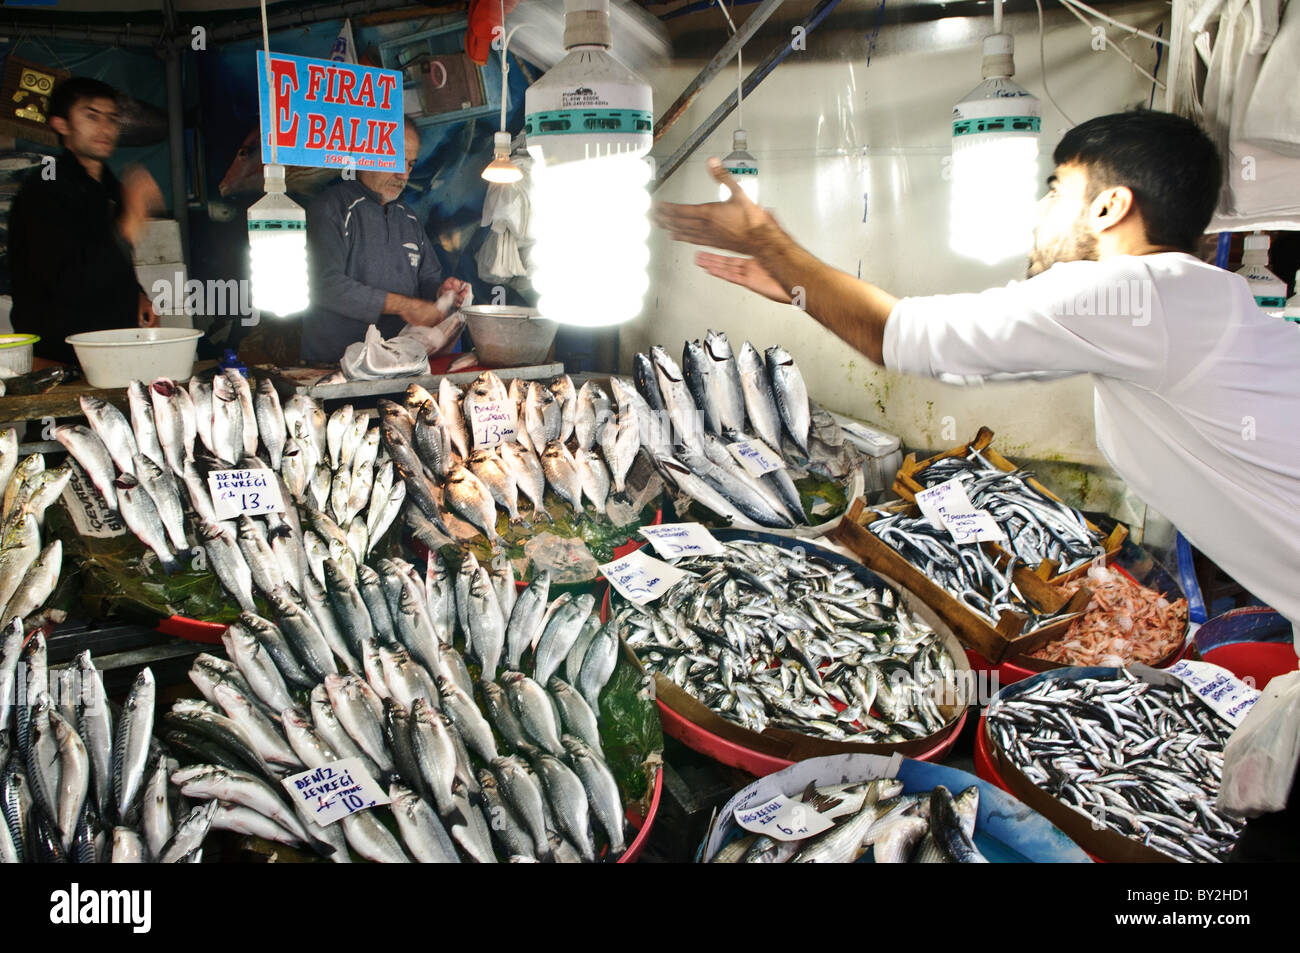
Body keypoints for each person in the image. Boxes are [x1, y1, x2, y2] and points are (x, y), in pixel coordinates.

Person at [655, 109, 1300, 858]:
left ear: (1109, 206)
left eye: (1055, 188)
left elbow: (912, 338)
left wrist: (770, 239)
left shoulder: (1146, 291)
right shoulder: (1175, 309)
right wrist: (801, 289)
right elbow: (937, 339)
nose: (1039, 212)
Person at [9, 77, 161, 365]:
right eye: (91, 116)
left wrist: (137, 294)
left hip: (113, 348)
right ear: (61, 124)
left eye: (112, 119)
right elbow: (68, 280)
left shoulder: (109, 185)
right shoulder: (45, 188)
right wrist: (127, 226)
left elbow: (113, 257)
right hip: (60, 357)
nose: (105, 129)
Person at [301, 120, 471, 364]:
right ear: (366, 154)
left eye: (410, 165)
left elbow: (427, 279)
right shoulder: (332, 208)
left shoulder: (409, 218)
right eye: (396, 162)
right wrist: (404, 306)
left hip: (401, 368)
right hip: (333, 368)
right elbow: (325, 285)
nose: (403, 175)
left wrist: (442, 291)